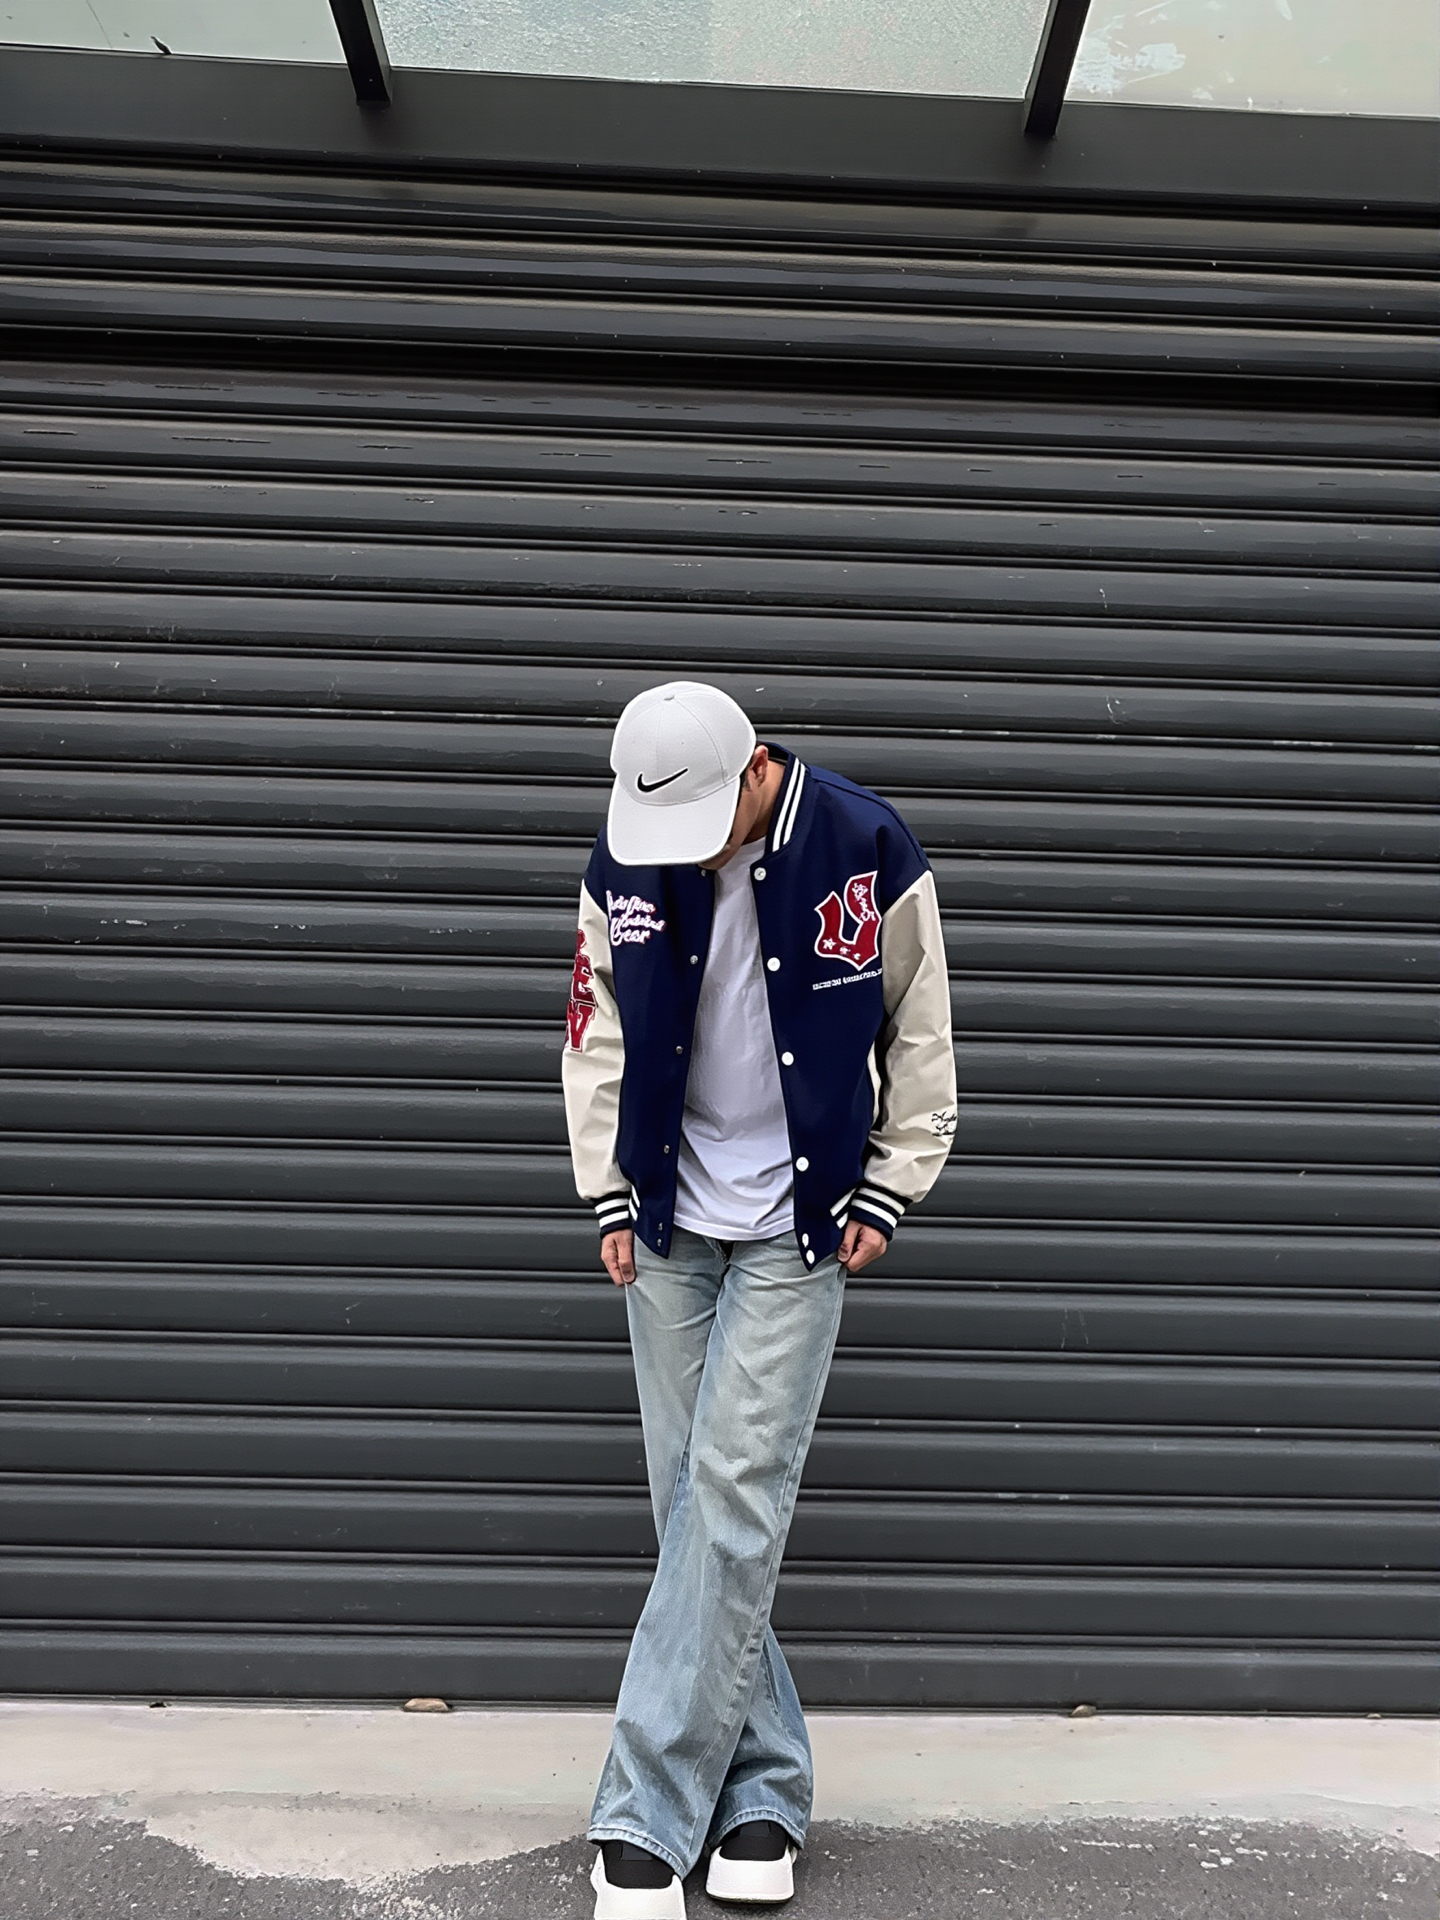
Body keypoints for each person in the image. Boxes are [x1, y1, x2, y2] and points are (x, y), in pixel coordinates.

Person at [563, 681, 956, 1918]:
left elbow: (921, 1025)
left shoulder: (864, 842)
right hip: (670, 1215)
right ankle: (763, 1790)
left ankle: (643, 1814)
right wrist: (608, 1189)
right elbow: (595, 1026)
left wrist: (894, 1179)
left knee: (733, 1490)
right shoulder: (629, 849)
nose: (683, 856)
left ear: (751, 775)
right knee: (695, 1507)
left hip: (801, 1221)